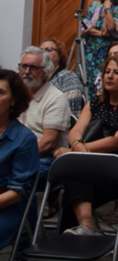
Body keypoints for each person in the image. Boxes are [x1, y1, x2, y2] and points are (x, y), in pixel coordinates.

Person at [47, 54, 118, 261]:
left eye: (116, 72)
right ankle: (86, 228)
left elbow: (117, 141)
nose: (109, 76)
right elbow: (77, 130)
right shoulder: (94, 103)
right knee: (74, 171)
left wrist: (80, 151)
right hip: (88, 168)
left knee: (75, 167)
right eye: (107, 72)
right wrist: (77, 147)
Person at [0, 70, 39, 257]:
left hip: (6, 209)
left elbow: (16, 193)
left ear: (13, 100)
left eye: (0, 93)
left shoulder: (24, 139)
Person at [17, 46, 70, 184]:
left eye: (33, 68)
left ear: (45, 73)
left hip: (45, 159)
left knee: (12, 174)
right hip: (16, 155)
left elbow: (48, 143)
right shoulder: (15, 96)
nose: (27, 71)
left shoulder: (56, 98)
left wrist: (16, 158)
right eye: (24, 66)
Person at [80, 0, 118, 99]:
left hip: (105, 54)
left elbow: (111, 27)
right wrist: (100, 34)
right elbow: (84, 27)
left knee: (102, 84)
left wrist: (108, 8)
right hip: (89, 53)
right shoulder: (94, 6)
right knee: (86, 83)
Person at [40, 38, 84, 117]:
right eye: (40, 51)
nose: (44, 53)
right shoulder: (35, 78)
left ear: (59, 55)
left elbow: (71, 112)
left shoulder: (68, 77)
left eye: (49, 49)